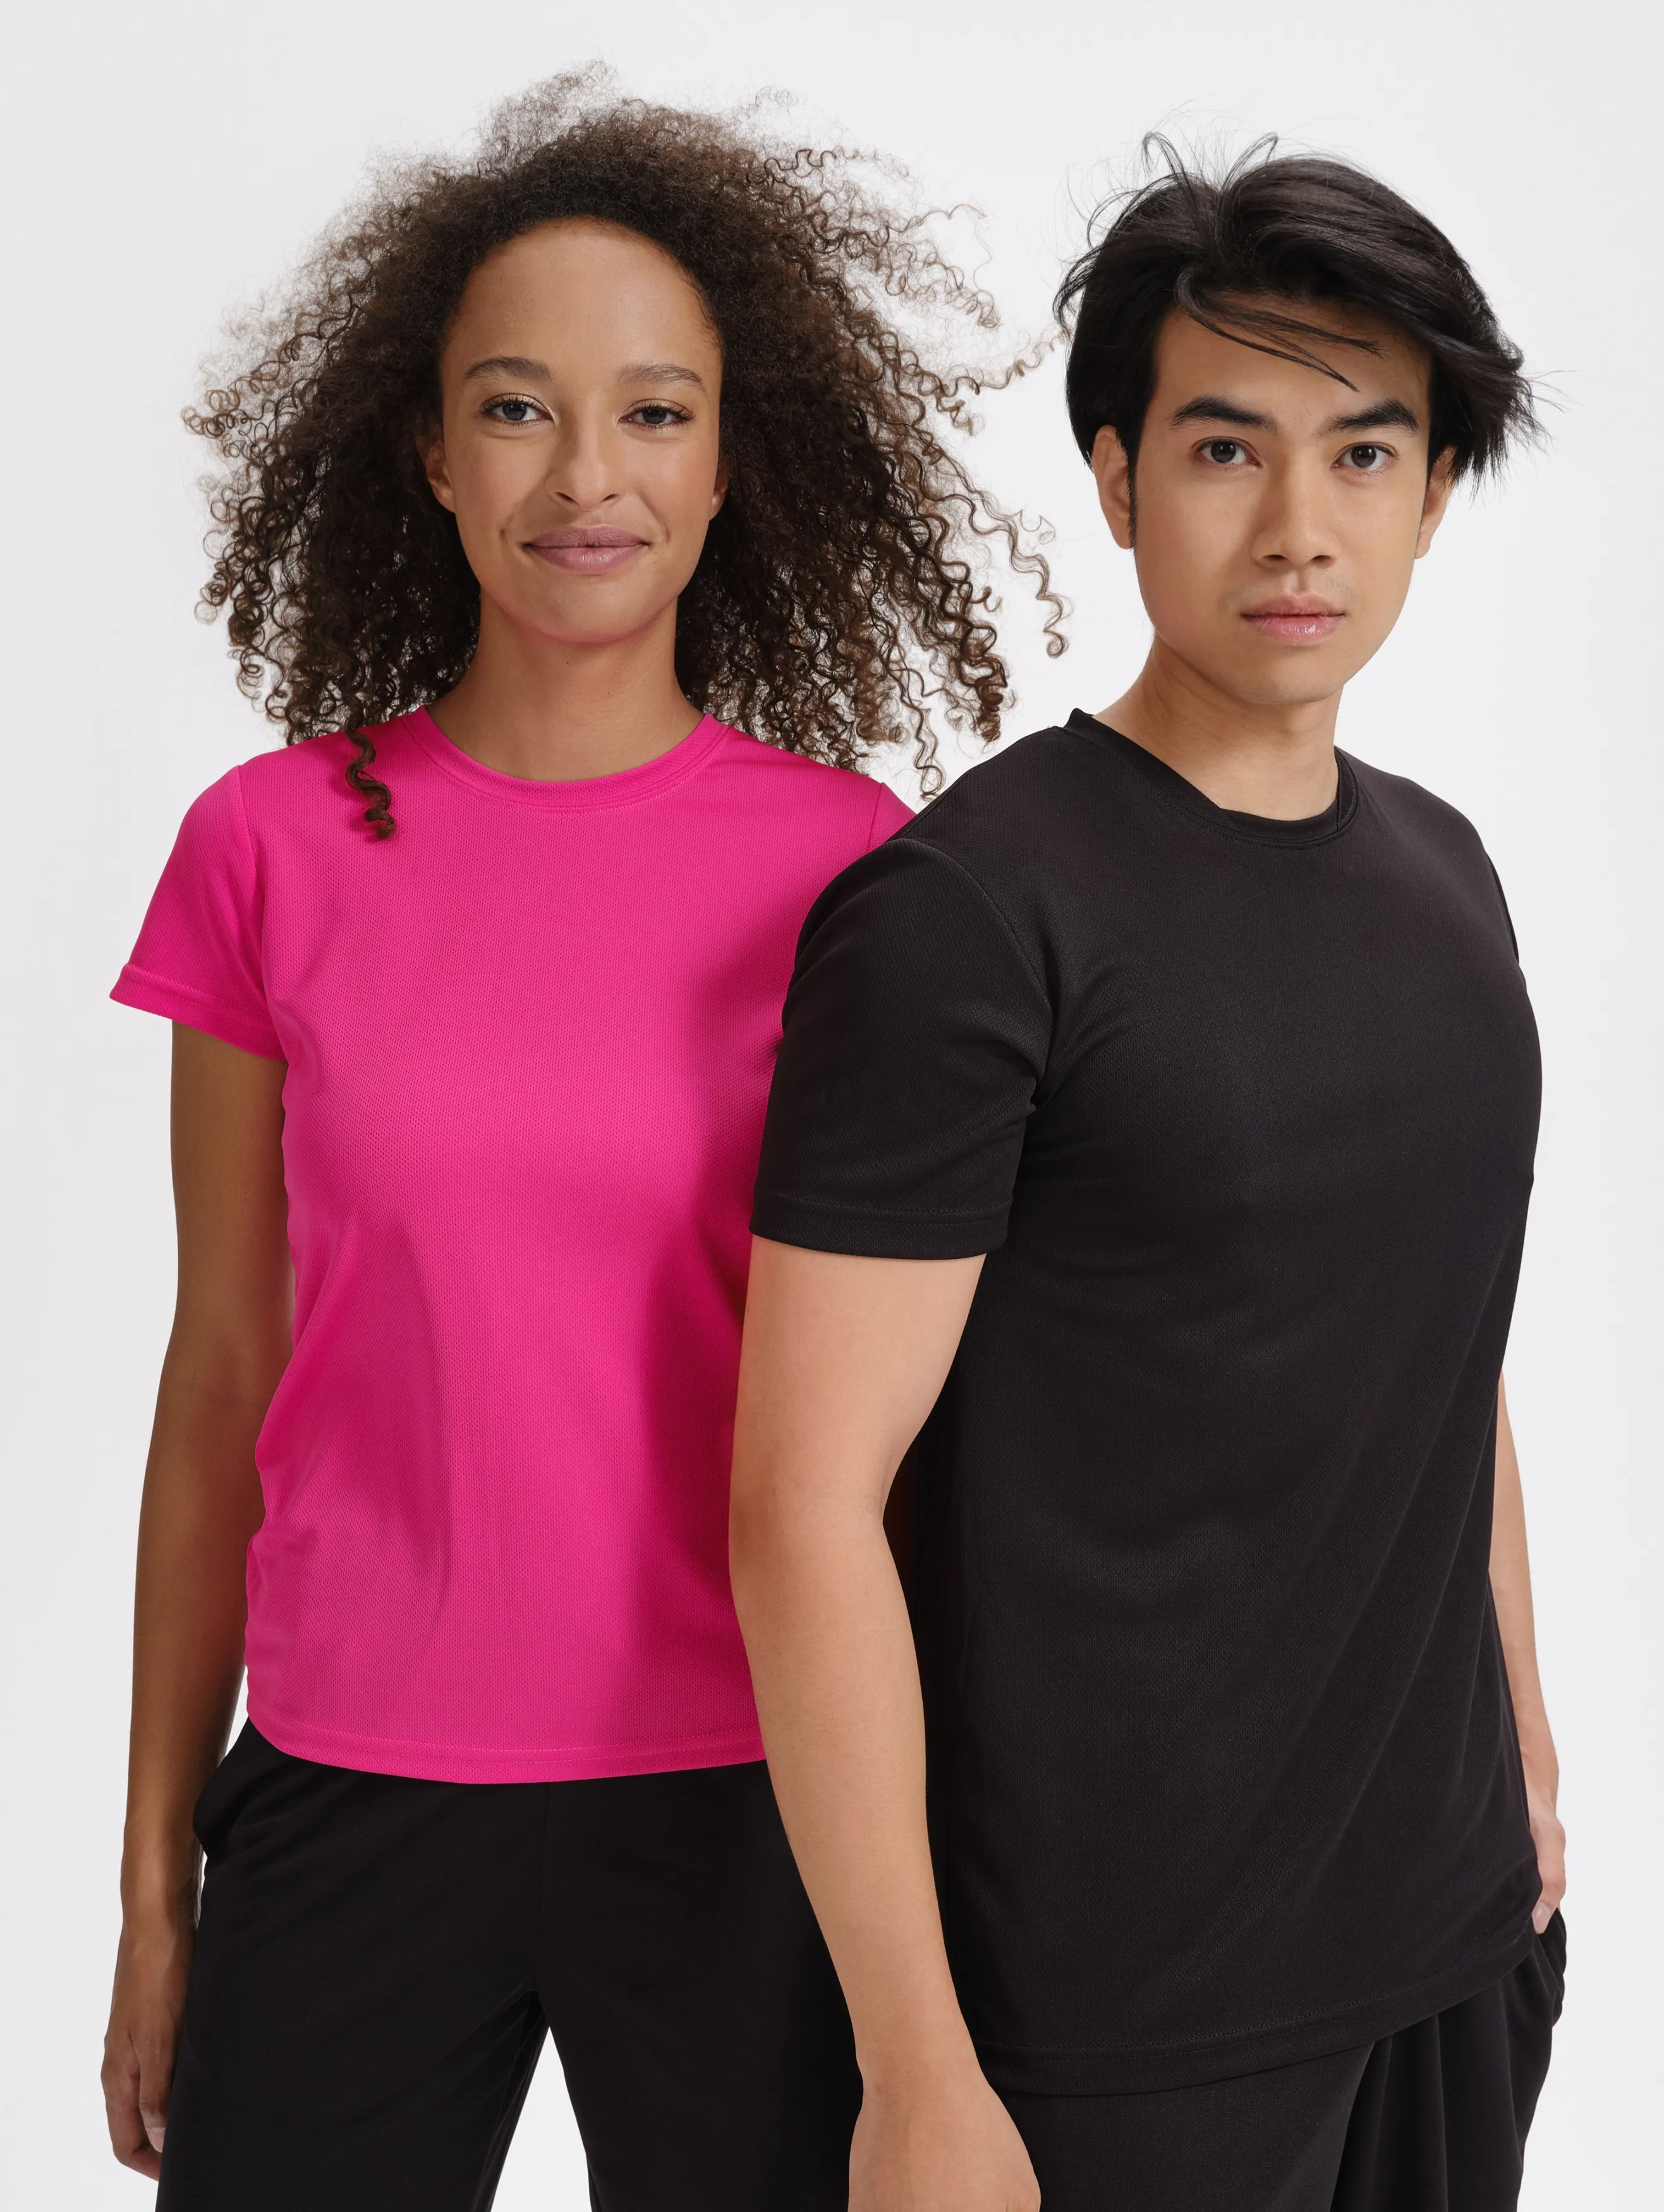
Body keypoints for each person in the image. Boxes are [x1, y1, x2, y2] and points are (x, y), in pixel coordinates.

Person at [99, 73, 1055, 2211]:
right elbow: (219, 1374)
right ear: (431, 453)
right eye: (518, 409)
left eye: (654, 413)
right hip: (354, 1775)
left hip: (751, 1789)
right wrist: (155, 1884)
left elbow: (925, 1421)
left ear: (728, 461)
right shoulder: (268, 846)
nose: (586, 476)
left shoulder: (860, 873)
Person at [731, 141, 1565, 2211]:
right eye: (1223, 449)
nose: (1300, 527)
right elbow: (801, 1505)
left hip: (1449, 1942)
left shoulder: (1447, 872)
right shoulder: (968, 914)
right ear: (1115, 479)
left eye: (1365, 452)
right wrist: (916, 2063)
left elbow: (1438, 1348)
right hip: (1113, 2019)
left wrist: (1525, 1751)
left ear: (1434, 492)